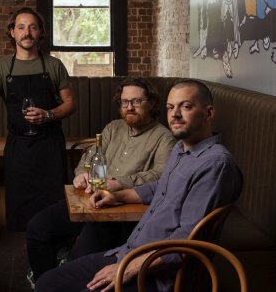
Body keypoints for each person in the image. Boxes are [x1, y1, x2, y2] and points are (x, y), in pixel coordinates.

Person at [35, 79, 243, 292]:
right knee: (46, 283)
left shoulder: (215, 164)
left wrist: (127, 269)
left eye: (186, 106)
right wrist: (118, 197)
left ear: (209, 113)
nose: (175, 114)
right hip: (130, 252)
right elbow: (159, 187)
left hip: (157, 274)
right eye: (171, 108)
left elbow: (187, 240)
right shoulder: (182, 149)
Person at [26, 78, 177, 283]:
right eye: (124, 102)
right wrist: (82, 174)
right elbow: (89, 158)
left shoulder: (164, 137)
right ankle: (44, 281)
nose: (129, 107)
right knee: (37, 227)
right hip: (89, 203)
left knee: (78, 260)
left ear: (152, 103)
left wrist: (119, 182)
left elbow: (161, 174)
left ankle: (63, 276)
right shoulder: (113, 128)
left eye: (136, 101)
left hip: (120, 215)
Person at [0, 7, 76, 232]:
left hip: (50, 146)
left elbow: (70, 104)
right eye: (21, 27)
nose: (27, 32)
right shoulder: (2, 68)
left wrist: (48, 114)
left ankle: (58, 255)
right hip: (18, 148)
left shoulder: (53, 65)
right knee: (20, 208)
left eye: (33, 27)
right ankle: (25, 258)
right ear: (12, 32)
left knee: (55, 205)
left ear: (40, 32)